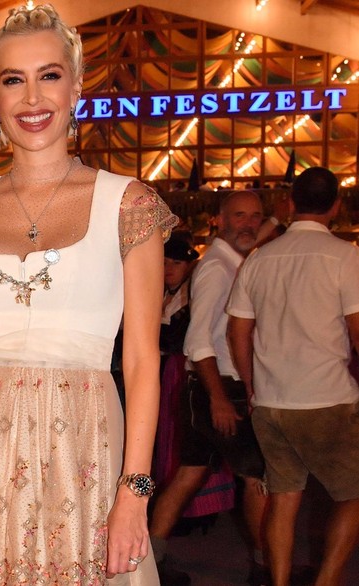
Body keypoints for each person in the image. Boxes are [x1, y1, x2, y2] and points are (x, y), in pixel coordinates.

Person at [0, 5, 176, 584]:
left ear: (77, 86)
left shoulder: (128, 204)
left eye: (50, 75)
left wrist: (134, 493)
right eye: (14, 79)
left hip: (83, 454)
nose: (32, 97)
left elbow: (140, 362)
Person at [227, 167, 359, 586]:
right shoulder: (346, 256)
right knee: (353, 495)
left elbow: (238, 331)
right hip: (328, 398)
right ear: (337, 206)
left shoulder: (260, 259)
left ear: (289, 203)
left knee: (283, 499)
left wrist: (250, 386)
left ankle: (280, 582)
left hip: (271, 400)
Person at [147, 191, 268, 586]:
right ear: (219, 220)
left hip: (212, 387)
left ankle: (151, 560)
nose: (247, 223)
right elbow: (198, 340)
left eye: (255, 216)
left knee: (189, 474)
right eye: (238, 216)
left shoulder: (232, 263)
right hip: (222, 388)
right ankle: (267, 566)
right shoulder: (219, 268)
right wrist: (217, 397)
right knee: (256, 478)